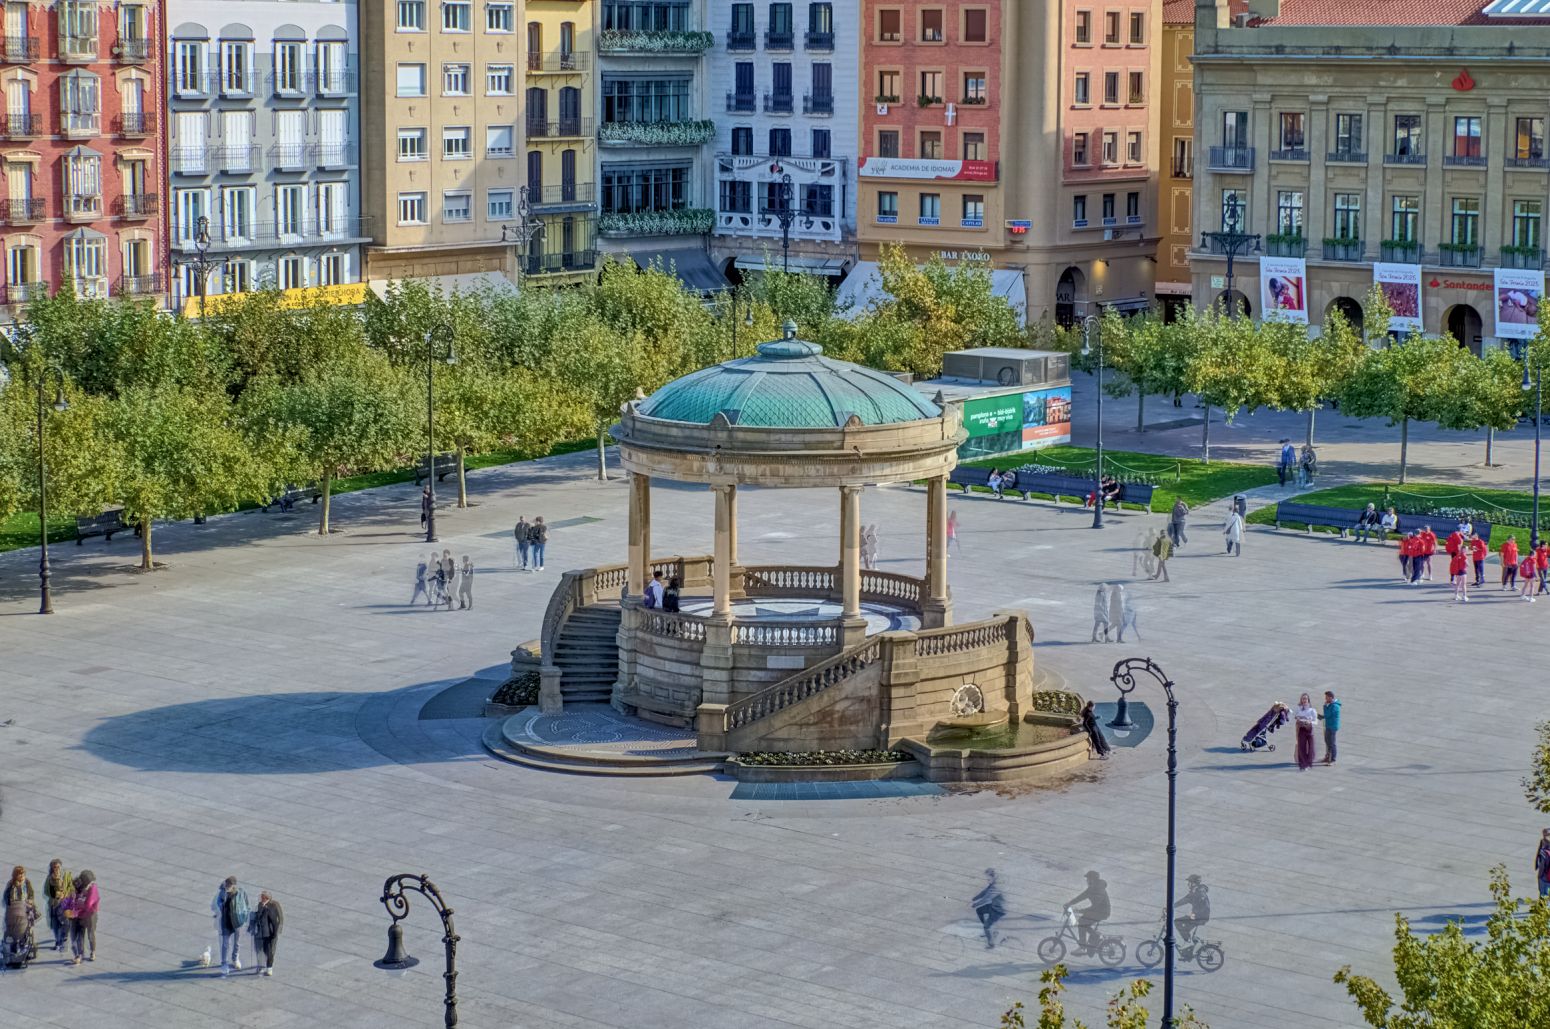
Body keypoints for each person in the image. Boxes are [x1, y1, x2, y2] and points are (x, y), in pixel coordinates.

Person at [1066, 871, 1111, 955]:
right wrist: (1070, 903)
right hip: (1098, 911)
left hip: (1102, 912)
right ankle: (1095, 936)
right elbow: (1082, 896)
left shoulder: (1098, 889)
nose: (1087, 881)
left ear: (1092, 879)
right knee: (1083, 922)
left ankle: (1083, 947)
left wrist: (1081, 910)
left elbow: (1096, 906)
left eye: (1088, 879)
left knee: (1082, 922)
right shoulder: (1093, 887)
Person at [214, 876, 248, 974]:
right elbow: (218, 901)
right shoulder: (222, 892)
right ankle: (224, 963)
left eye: (230, 884)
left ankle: (235, 958)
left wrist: (245, 915)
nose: (227, 885)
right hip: (226, 921)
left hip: (237, 921)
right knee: (225, 944)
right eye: (227, 883)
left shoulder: (240, 892)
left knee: (237, 942)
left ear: (234, 885)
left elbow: (246, 904)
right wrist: (221, 906)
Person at [3, 866, 34, 958]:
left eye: (22, 874)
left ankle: (23, 943)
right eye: (19, 874)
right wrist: (9, 903)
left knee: (26, 925)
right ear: (15, 875)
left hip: (24, 907)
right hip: (13, 908)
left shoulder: (27, 883)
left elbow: (31, 894)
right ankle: (12, 944)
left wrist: (30, 900)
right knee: (11, 927)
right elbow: (6, 896)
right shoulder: (11, 884)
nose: (21, 876)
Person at [67, 870, 97, 964]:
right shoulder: (78, 887)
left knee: (90, 934)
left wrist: (79, 904)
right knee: (79, 936)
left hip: (90, 915)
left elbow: (88, 904)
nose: (91, 883)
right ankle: (79, 954)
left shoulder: (93, 889)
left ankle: (92, 951)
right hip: (79, 916)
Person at [1175, 875, 1211, 956]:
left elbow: (1205, 907)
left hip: (1200, 917)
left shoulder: (1199, 893)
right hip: (1198, 916)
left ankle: (1188, 942)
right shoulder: (1195, 892)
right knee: (1182, 925)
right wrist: (1171, 906)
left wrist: (1195, 914)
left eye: (1189, 882)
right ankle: (1192, 944)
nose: (1188, 884)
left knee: (1177, 922)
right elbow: (1184, 900)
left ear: (1194, 883)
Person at [250, 892, 283, 976]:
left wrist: (274, 934)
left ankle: (269, 968)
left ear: (266, 898)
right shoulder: (260, 905)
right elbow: (257, 917)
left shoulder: (272, 907)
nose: (260, 899)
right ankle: (261, 966)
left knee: (268, 951)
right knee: (260, 950)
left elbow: (274, 922)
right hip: (260, 933)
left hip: (269, 934)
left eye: (262, 897)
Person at [971, 870, 1006, 950]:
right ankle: (989, 931)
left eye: (988, 879)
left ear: (994, 878)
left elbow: (986, 899)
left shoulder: (996, 887)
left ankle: (991, 944)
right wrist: (974, 898)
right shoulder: (992, 884)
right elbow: (984, 892)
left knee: (986, 926)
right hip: (994, 906)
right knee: (979, 910)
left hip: (999, 910)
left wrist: (975, 904)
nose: (987, 881)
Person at [43, 859, 71, 953]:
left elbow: (70, 888)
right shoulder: (49, 878)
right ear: (52, 868)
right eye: (54, 867)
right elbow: (46, 891)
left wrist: (64, 894)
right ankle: (57, 941)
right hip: (53, 904)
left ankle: (64, 937)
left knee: (64, 923)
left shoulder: (65, 876)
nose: (56, 869)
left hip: (63, 904)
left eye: (58, 867)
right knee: (55, 925)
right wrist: (54, 894)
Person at [1294, 693, 1319, 770]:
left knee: (1311, 748)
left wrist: (1310, 722)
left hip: (1309, 729)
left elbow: (1316, 721)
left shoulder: (1312, 710)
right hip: (1301, 729)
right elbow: (1294, 717)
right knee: (1301, 747)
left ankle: (1309, 762)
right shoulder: (1298, 709)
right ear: (1301, 700)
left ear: (1308, 700)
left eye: (1305, 698)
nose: (1304, 700)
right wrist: (1298, 719)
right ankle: (1303, 764)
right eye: (1303, 699)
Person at [1321, 690, 1341, 765]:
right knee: (1327, 741)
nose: (1325, 699)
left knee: (1332, 743)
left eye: (1326, 697)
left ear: (1331, 697)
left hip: (1333, 726)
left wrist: (1325, 706)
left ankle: (1333, 759)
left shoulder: (1335, 706)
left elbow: (1327, 715)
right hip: (1329, 725)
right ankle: (1328, 756)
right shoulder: (1331, 704)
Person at [1536, 829, 1550, 898]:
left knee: (1543, 895)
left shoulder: (1545, 852)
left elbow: (1542, 866)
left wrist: (1539, 876)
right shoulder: (1543, 843)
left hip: (1545, 877)